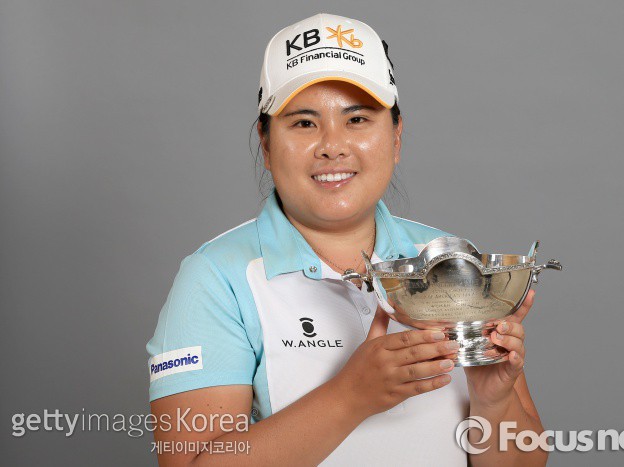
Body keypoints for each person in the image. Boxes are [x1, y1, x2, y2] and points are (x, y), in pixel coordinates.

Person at [147, 12, 548, 466]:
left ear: (396, 137)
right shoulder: (217, 279)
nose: (332, 146)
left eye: (357, 119)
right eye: (304, 123)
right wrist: (350, 397)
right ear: (266, 143)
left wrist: (493, 402)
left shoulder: (450, 259)